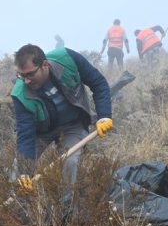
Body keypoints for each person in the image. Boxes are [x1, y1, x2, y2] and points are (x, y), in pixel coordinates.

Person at [11, 43, 113, 193]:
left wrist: (104, 116)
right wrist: (24, 173)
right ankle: (17, 212)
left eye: (30, 74)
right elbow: (25, 134)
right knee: (17, 175)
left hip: (73, 124)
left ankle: (66, 209)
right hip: (41, 132)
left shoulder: (67, 59)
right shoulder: (20, 93)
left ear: (44, 65)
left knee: (70, 163)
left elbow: (98, 83)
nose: (26, 81)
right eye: (21, 75)